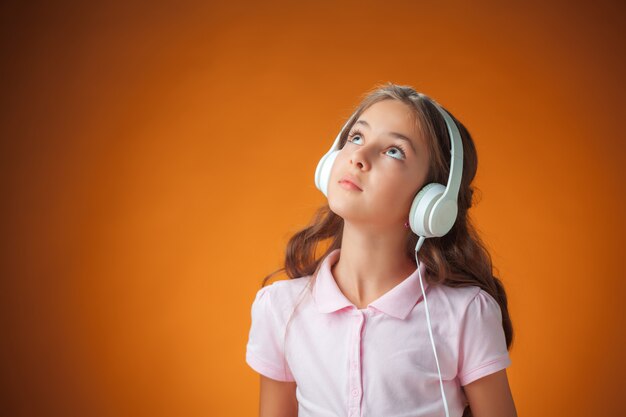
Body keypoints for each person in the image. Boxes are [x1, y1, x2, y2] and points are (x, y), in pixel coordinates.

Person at [245, 82, 517, 417]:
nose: (359, 156)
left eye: (393, 151)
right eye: (356, 137)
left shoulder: (465, 315)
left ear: (431, 202)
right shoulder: (280, 308)